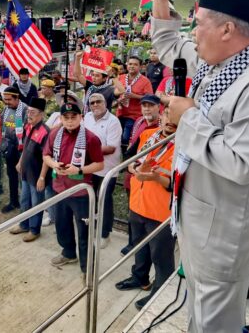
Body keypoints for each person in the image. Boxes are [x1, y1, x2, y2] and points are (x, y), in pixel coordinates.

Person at [149, 0, 249, 331]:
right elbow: (169, 43)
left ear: (227, 29)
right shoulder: (220, 63)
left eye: (197, 24)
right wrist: (161, 1)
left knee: (216, 322)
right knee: (201, 313)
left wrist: (189, 119)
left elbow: (242, 163)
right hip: (199, 218)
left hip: (225, 232)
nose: (192, 34)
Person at [115, 106, 178, 311]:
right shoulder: (148, 135)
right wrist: (132, 167)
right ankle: (139, 278)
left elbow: (180, 184)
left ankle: (160, 294)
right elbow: (131, 158)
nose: (170, 119)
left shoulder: (186, 145)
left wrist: (156, 177)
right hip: (137, 203)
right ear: (161, 116)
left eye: (176, 116)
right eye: (167, 113)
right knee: (139, 246)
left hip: (161, 212)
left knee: (161, 257)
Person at [42, 102, 104, 275]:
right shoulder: (55, 133)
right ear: (60, 118)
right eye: (66, 118)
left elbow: (99, 164)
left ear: (81, 118)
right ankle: (69, 253)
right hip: (59, 188)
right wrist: (55, 164)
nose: (70, 121)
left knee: (84, 231)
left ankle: (87, 268)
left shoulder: (90, 138)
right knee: (62, 226)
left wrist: (79, 170)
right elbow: (46, 155)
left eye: (73, 117)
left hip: (81, 192)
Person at [83, 92, 122, 248]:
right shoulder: (87, 117)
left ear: (105, 103)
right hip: (90, 167)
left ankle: (105, 234)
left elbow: (111, 148)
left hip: (107, 169)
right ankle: (92, 225)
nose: (95, 105)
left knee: (104, 200)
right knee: (90, 197)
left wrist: (87, 151)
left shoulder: (113, 121)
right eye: (92, 103)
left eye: (98, 101)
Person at [10, 97, 50, 241]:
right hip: (26, 172)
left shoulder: (45, 132)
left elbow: (47, 157)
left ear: (41, 114)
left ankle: (34, 230)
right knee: (25, 200)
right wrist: (20, 161)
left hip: (37, 175)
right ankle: (23, 224)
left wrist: (42, 177)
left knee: (36, 203)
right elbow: (26, 146)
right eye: (28, 111)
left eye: (33, 112)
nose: (29, 114)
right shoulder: (28, 126)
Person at [114, 56, 153, 148]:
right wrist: (120, 96)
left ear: (140, 67)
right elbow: (115, 92)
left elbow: (150, 98)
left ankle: (125, 157)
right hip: (120, 113)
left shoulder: (145, 81)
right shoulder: (121, 77)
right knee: (117, 136)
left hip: (134, 115)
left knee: (125, 137)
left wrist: (134, 96)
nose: (132, 66)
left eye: (135, 64)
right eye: (130, 64)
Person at [0, 86, 27, 213]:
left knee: (24, 178)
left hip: (23, 149)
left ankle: (25, 204)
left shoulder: (26, 110)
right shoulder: (6, 109)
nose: (7, 102)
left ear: (17, 98)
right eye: (5, 99)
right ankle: (13, 202)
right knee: (11, 175)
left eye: (9, 99)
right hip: (9, 148)